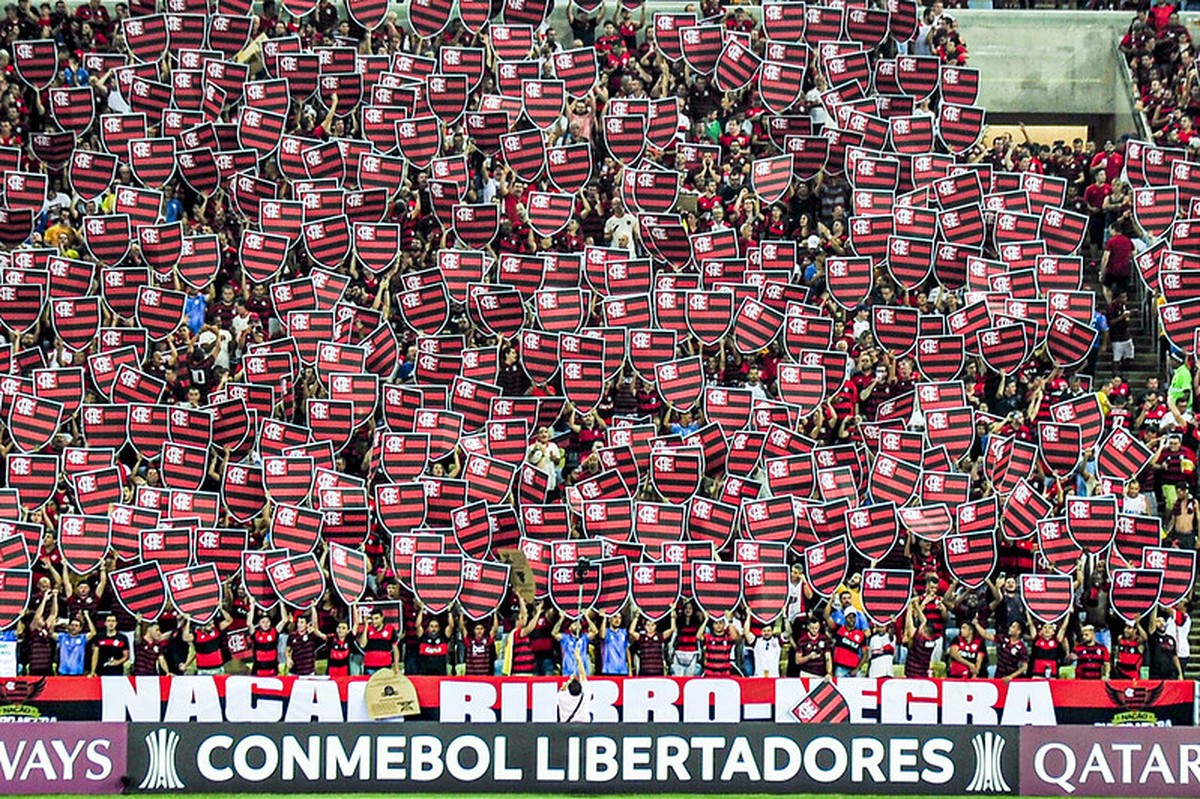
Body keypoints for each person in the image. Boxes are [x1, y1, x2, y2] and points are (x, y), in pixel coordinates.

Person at [184, 608, 234, 675]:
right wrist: (188, 621)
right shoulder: (196, 634)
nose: (212, 626)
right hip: (203, 670)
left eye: (212, 623)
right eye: (210, 625)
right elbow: (186, 637)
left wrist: (221, 609)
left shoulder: (217, 629)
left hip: (218, 668)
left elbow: (229, 621)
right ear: (203, 626)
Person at [247, 605, 289, 677]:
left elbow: (285, 620)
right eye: (263, 622)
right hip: (258, 672)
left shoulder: (274, 631)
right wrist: (252, 606)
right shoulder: (255, 633)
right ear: (259, 623)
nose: (265, 624)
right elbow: (249, 623)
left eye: (267, 622)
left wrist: (282, 605)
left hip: (273, 672)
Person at [630, 609, 674, 676]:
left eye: (652, 625)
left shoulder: (660, 636)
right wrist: (636, 617)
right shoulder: (641, 637)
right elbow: (631, 631)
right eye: (648, 625)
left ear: (656, 625)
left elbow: (672, 629)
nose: (650, 627)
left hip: (658, 671)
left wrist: (673, 615)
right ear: (644, 626)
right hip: (644, 671)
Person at [358, 608, 400, 675]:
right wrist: (366, 626)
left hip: (385, 667)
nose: (374, 621)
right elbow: (362, 645)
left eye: (376, 618)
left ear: (382, 618)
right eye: (372, 619)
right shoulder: (368, 629)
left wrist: (396, 666)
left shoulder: (390, 629)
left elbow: (395, 649)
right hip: (369, 667)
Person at [553, 612, 596, 677]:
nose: (577, 626)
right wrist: (561, 618)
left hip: (583, 671)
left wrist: (586, 617)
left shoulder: (584, 637)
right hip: (568, 672)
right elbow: (554, 633)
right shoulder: (565, 638)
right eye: (575, 624)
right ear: (569, 628)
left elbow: (595, 632)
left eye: (579, 624)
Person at [286, 609, 326, 676]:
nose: (299, 625)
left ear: (307, 624)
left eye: (302, 622)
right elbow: (288, 649)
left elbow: (315, 624)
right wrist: (288, 658)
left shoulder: (312, 635)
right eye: (298, 622)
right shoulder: (292, 635)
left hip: (309, 671)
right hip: (294, 672)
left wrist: (313, 608)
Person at [557, 648, 591, 723]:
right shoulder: (585, 694)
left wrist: (569, 681)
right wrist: (578, 658)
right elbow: (582, 674)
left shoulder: (562, 697)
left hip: (567, 726)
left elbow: (561, 690)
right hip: (585, 726)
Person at [414, 605, 450, 675]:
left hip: (440, 673)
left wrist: (449, 611)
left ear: (439, 628)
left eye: (436, 626)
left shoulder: (443, 637)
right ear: (428, 628)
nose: (434, 629)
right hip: (425, 673)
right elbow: (418, 625)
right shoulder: (423, 637)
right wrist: (421, 610)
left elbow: (451, 625)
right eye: (431, 626)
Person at [1148, 613, 1183, 679]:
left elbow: (1175, 657)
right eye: (1158, 621)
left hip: (1170, 673)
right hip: (1156, 673)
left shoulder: (1171, 638)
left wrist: (1180, 674)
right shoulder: (1153, 637)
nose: (1161, 623)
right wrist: (1154, 607)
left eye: (1163, 621)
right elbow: (1151, 625)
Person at [599, 611, 631, 676]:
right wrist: (604, 618)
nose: (617, 620)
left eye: (620, 618)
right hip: (608, 670)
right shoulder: (606, 631)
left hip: (623, 670)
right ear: (609, 619)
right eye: (615, 617)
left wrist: (630, 668)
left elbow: (627, 650)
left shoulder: (624, 632)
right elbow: (602, 636)